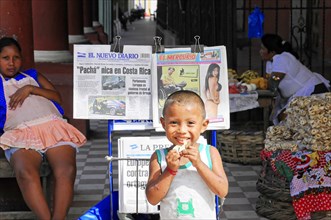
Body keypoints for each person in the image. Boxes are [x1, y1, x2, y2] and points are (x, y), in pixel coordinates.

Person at [0, 37, 86, 219]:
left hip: (53, 127)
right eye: (5, 58)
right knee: (25, 172)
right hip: (20, 133)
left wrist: (31, 89)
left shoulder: (33, 76)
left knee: (66, 170)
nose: (11, 63)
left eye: (16, 57)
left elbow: (56, 98)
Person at [146, 90, 228, 219]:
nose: (182, 131)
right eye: (174, 122)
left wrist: (199, 164)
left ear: (203, 125)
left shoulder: (210, 153)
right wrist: (170, 170)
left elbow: (222, 190)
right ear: (163, 124)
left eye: (190, 123)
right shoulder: (159, 157)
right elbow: (152, 198)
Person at [260, 33, 330, 125]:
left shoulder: (281, 58)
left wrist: (271, 80)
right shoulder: (271, 62)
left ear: (272, 52)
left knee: (287, 120)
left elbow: (276, 78)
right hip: (299, 95)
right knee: (282, 119)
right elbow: (270, 80)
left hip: (311, 92)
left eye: (263, 49)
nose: (260, 51)